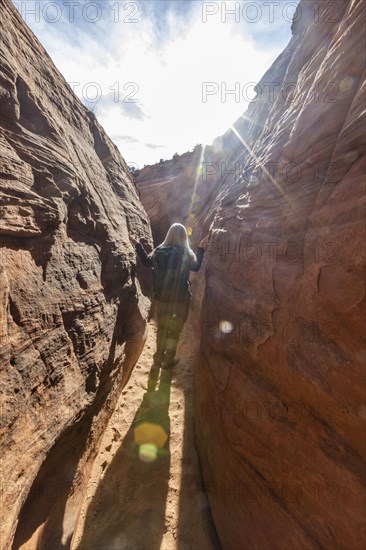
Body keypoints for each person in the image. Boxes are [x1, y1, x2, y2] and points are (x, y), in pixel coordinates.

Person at [132, 223, 208, 369]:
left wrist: (137, 244)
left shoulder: (159, 251)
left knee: (162, 328)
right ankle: (168, 359)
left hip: (162, 298)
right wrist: (201, 248)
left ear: (169, 235)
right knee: (175, 330)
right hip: (181, 299)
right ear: (184, 237)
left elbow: (146, 262)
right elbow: (196, 267)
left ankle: (158, 359)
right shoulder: (187, 253)